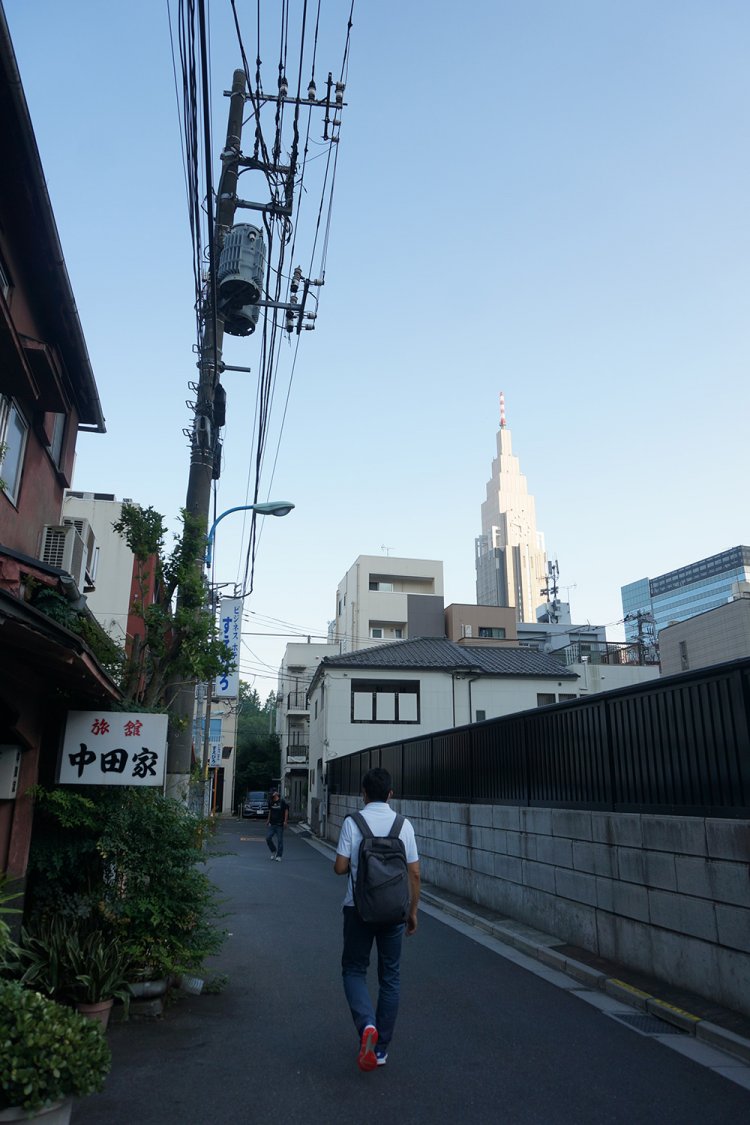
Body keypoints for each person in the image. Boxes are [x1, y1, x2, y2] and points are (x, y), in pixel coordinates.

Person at [334, 767, 420, 1071]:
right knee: (390, 978)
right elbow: (414, 872)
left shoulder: (353, 823)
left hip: (357, 909)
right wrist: (411, 912)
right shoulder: (403, 825)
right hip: (394, 913)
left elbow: (340, 868)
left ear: (364, 793)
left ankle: (366, 1025)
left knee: (354, 970)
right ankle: (380, 1049)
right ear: (391, 794)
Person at [266, 790, 289, 861]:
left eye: (272, 795)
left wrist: (285, 821)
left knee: (280, 840)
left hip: (279, 824)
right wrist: (268, 820)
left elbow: (286, 811)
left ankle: (279, 855)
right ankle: (273, 851)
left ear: (276, 794)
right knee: (268, 838)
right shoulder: (271, 802)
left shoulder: (282, 802)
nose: (271, 796)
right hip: (272, 824)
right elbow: (270, 811)